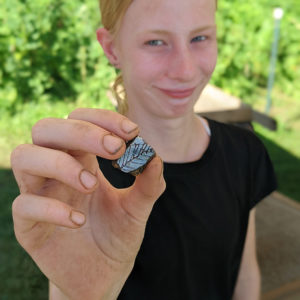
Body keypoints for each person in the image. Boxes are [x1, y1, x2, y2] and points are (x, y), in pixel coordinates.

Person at [11, 0, 277, 299]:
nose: (185, 70)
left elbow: (245, 271)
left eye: (200, 37)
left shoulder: (244, 153)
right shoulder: (84, 177)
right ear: (112, 49)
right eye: (155, 41)